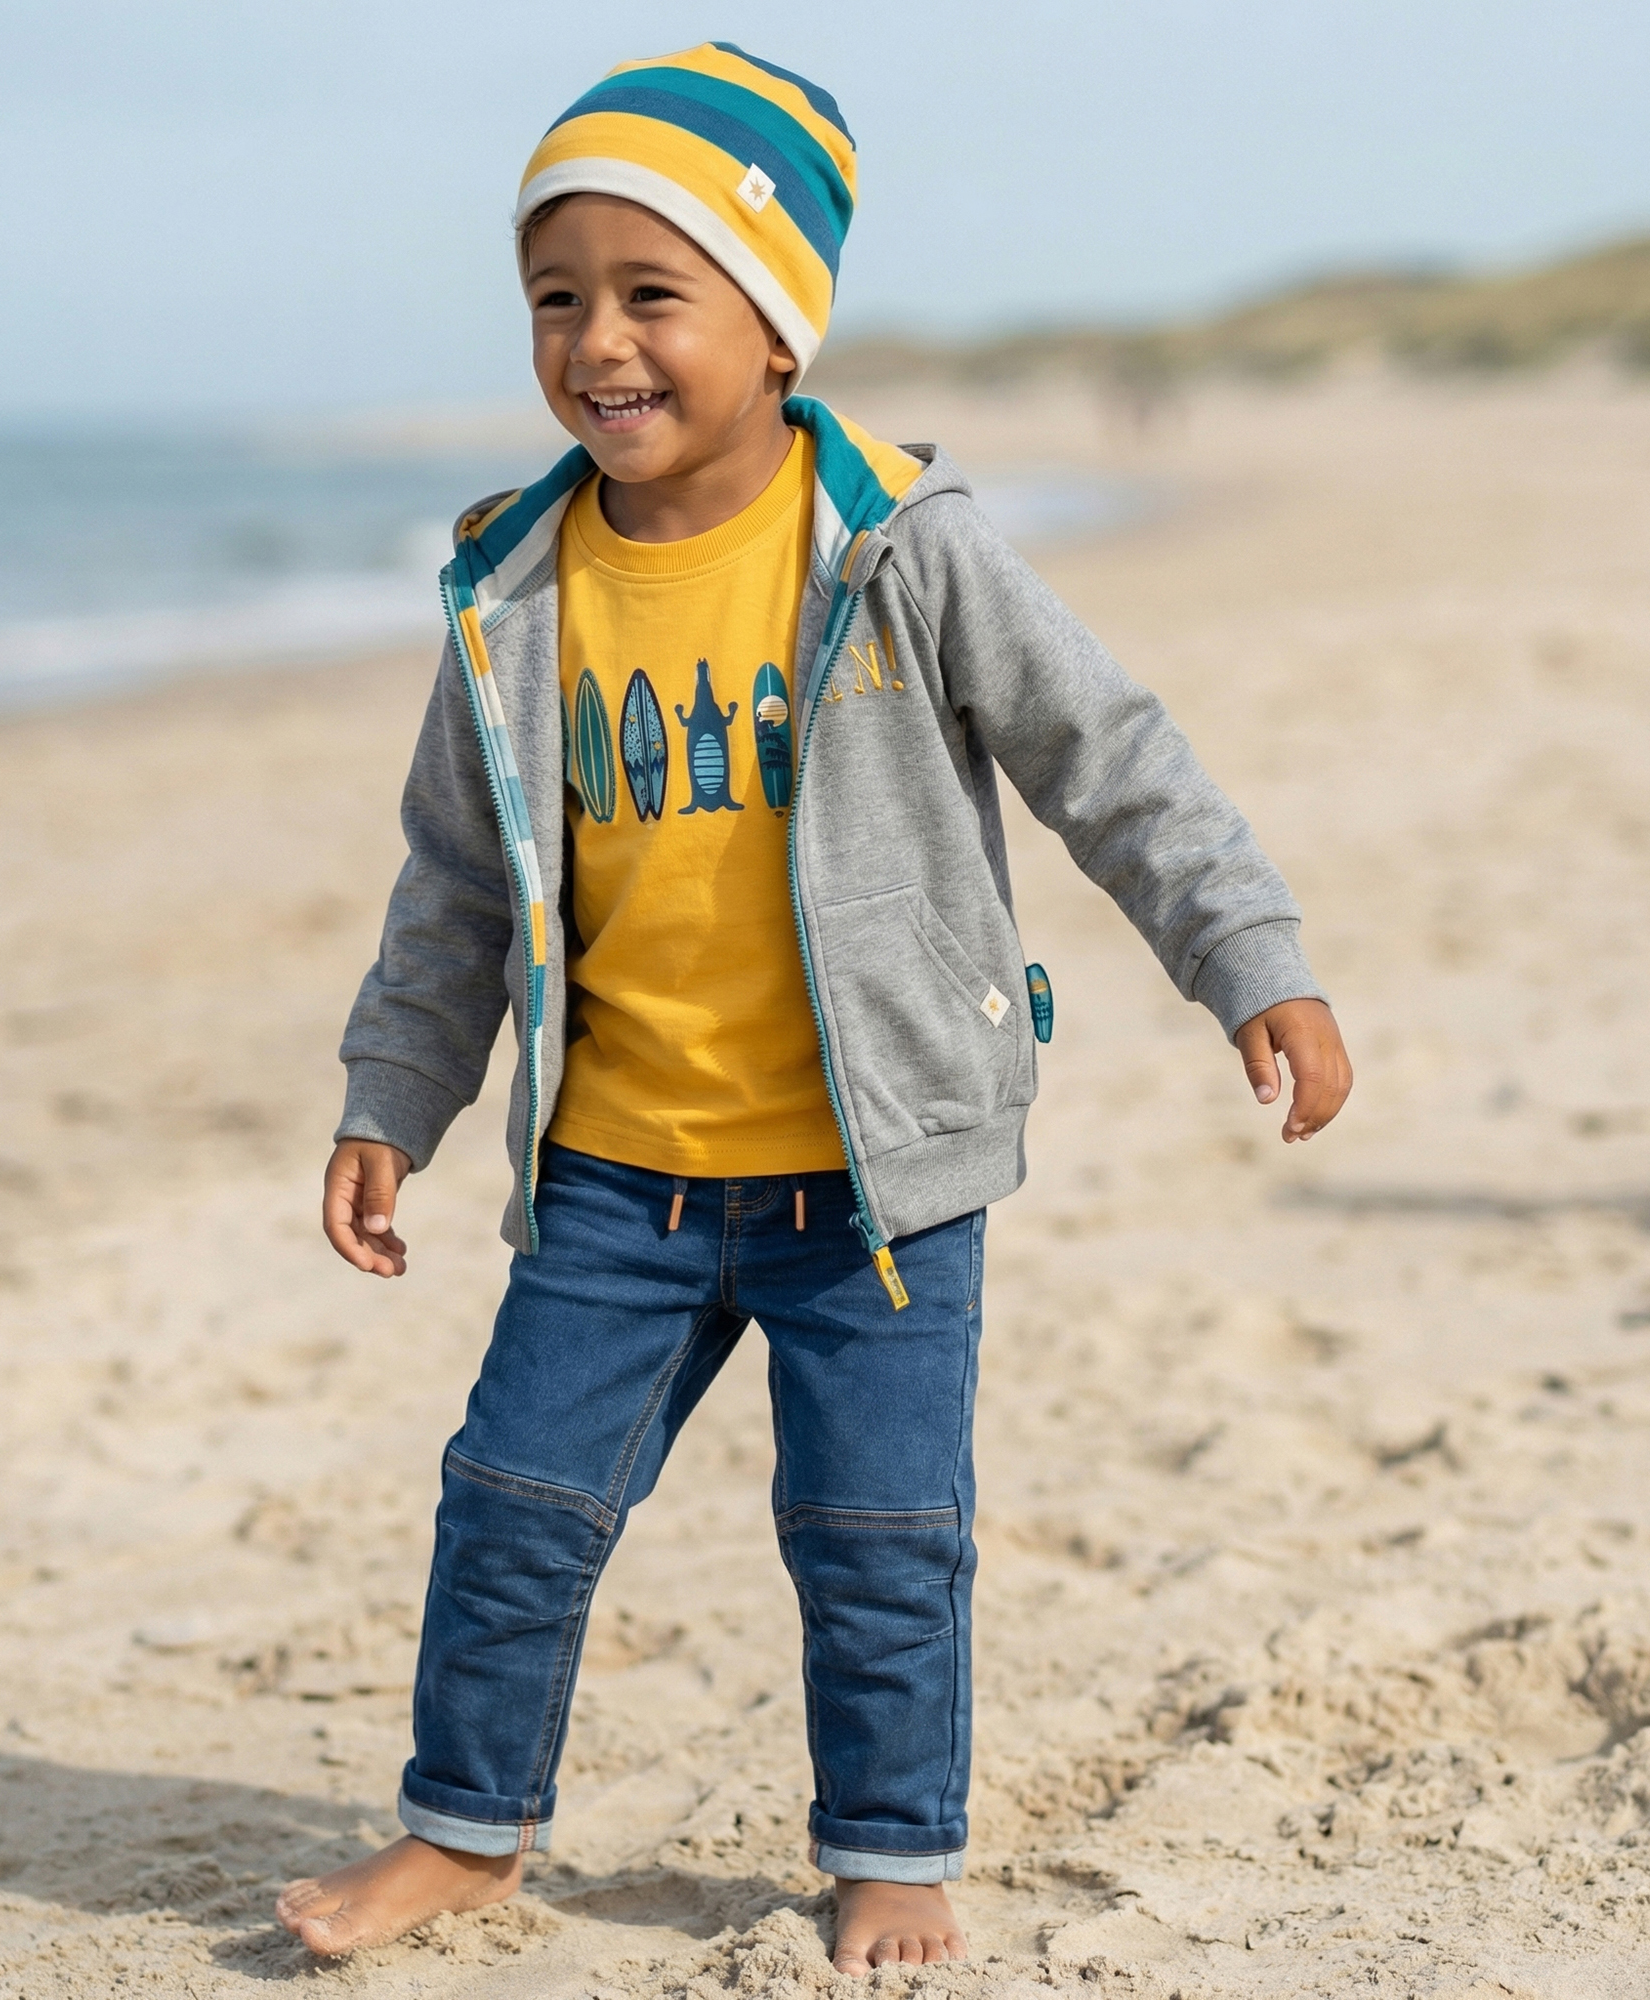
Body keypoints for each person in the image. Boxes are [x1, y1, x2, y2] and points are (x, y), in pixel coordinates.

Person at [276, 42, 1352, 1974]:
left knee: (877, 1543)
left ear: (778, 324)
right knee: (509, 1505)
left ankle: (889, 1851)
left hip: (875, 1178)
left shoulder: (898, 553)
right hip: (615, 1171)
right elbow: (453, 885)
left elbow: (1114, 763)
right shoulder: (511, 589)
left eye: (650, 292)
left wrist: (1249, 958)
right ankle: (465, 1830)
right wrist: (393, 1096)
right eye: (556, 297)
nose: (598, 341)